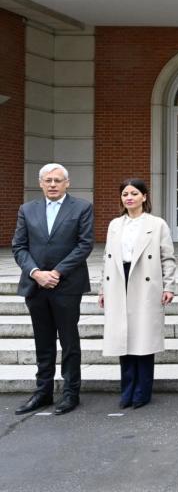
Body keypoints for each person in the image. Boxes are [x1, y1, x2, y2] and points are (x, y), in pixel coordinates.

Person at [12, 163, 94, 415]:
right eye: (48, 180)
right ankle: (43, 392)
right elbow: (19, 246)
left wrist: (56, 272)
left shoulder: (81, 207)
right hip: (36, 286)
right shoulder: (27, 210)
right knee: (43, 342)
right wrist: (36, 273)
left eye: (58, 180)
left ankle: (71, 393)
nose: (53, 184)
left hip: (66, 285)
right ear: (41, 183)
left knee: (69, 341)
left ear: (67, 183)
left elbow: (84, 245)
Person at [98, 179, 176, 409]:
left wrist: (169, 286)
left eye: (134, 193)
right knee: (123, 338)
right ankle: (127, 390)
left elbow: (167, 257)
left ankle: (142, 391)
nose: (129, 197)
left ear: (144, 196)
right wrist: (103, 289)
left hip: (145, 280)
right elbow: (106, 258)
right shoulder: (115, 225)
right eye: (125, 194)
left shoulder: (157, 224)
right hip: (119, 279)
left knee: (143, 339)